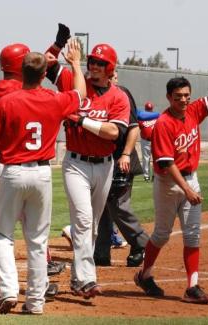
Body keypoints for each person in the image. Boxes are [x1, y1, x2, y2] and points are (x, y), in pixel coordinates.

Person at [0, 41, 86, 315]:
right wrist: (75, 63)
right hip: (42, 173)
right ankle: (36, 302)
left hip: (12, 172)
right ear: (43, 76)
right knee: (38, 241)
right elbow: (80, 93)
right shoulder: (54, 99)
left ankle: (9, 291)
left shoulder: (6, 101)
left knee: (2, 234)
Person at [133, 76, 208, 305]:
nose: (183, 100)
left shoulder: (193, 111)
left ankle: (192, 287)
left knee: (193, 235)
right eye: (178, 96)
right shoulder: (163, 122)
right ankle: (145, 275)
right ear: (168, 98)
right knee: (162, 234)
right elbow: (166, 163)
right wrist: (187, 190)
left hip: (191, 178)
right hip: (168, 183)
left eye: (186, 95)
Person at [46, 33, 130, 299]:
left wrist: (80, 121)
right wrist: (62, 50)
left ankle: (76, 279)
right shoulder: (74, 80)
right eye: (92, 61)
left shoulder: (119, 97)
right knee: (82, 220)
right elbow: (45, 63)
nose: (93, 66)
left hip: (104, 166)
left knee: (91, 226)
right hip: (76, 164)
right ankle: (87, 279)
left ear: (111, 69)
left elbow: (113, 133)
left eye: (100, 63)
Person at [93, 71, 151, 268]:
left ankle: (141, 243)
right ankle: (101, 252)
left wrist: (125, 154)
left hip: (121, 160)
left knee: (118, 204)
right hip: (102, 159)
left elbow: (134, 127)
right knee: (101, 208)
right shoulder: (93, 95)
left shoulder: (122, 94)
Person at [139, 101, 155, 182]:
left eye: (150, 109)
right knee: (146, 159)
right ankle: (146, 176)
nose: (149, 111)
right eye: (148, 110)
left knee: (156, 158)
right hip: (145, 141)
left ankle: (155, 175)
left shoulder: (155, 117)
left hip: (155, 141)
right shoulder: (142, 118)